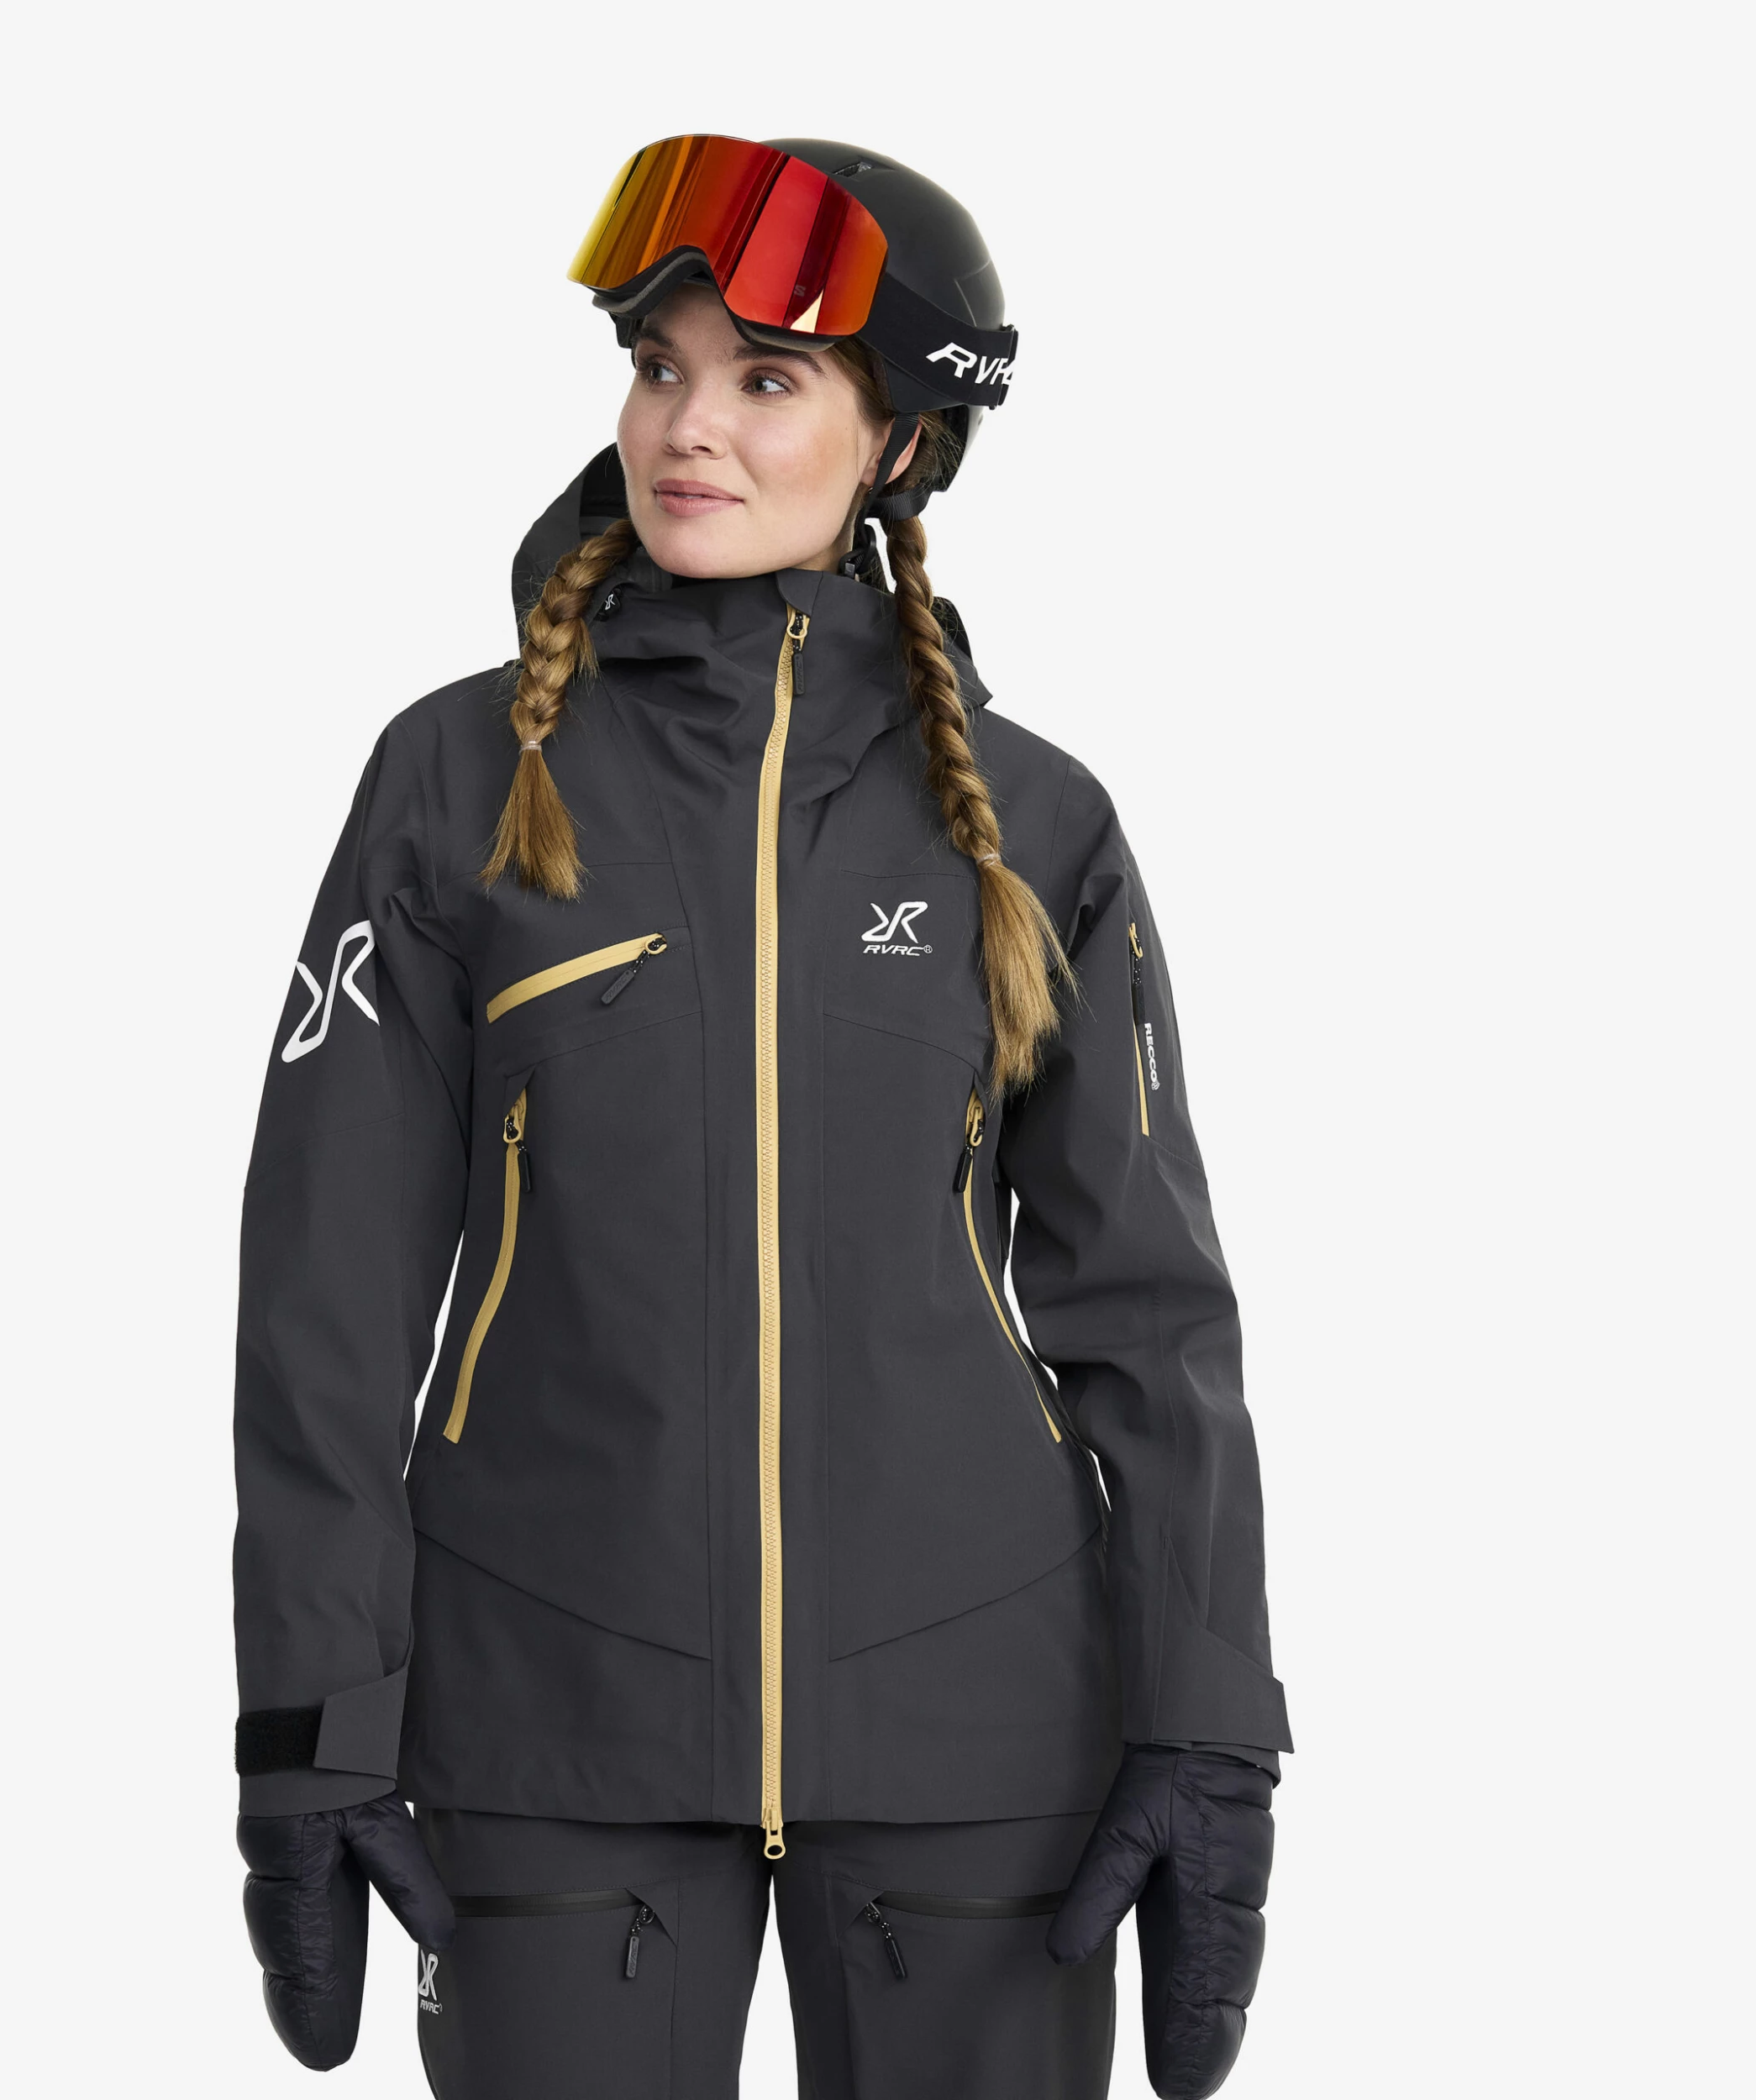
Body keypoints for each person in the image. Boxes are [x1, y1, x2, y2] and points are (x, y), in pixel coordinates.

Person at [231, 134, 1290, 2099]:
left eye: (765, 377)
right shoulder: (454, 779)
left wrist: (1206, 1721)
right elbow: (324, 1301)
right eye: (657, 366)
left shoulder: (1034, 824)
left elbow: (1149, 1315)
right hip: (548, 1719)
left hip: (981, 1737)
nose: (684, 425)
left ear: (902, 442)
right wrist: (309, 1725)